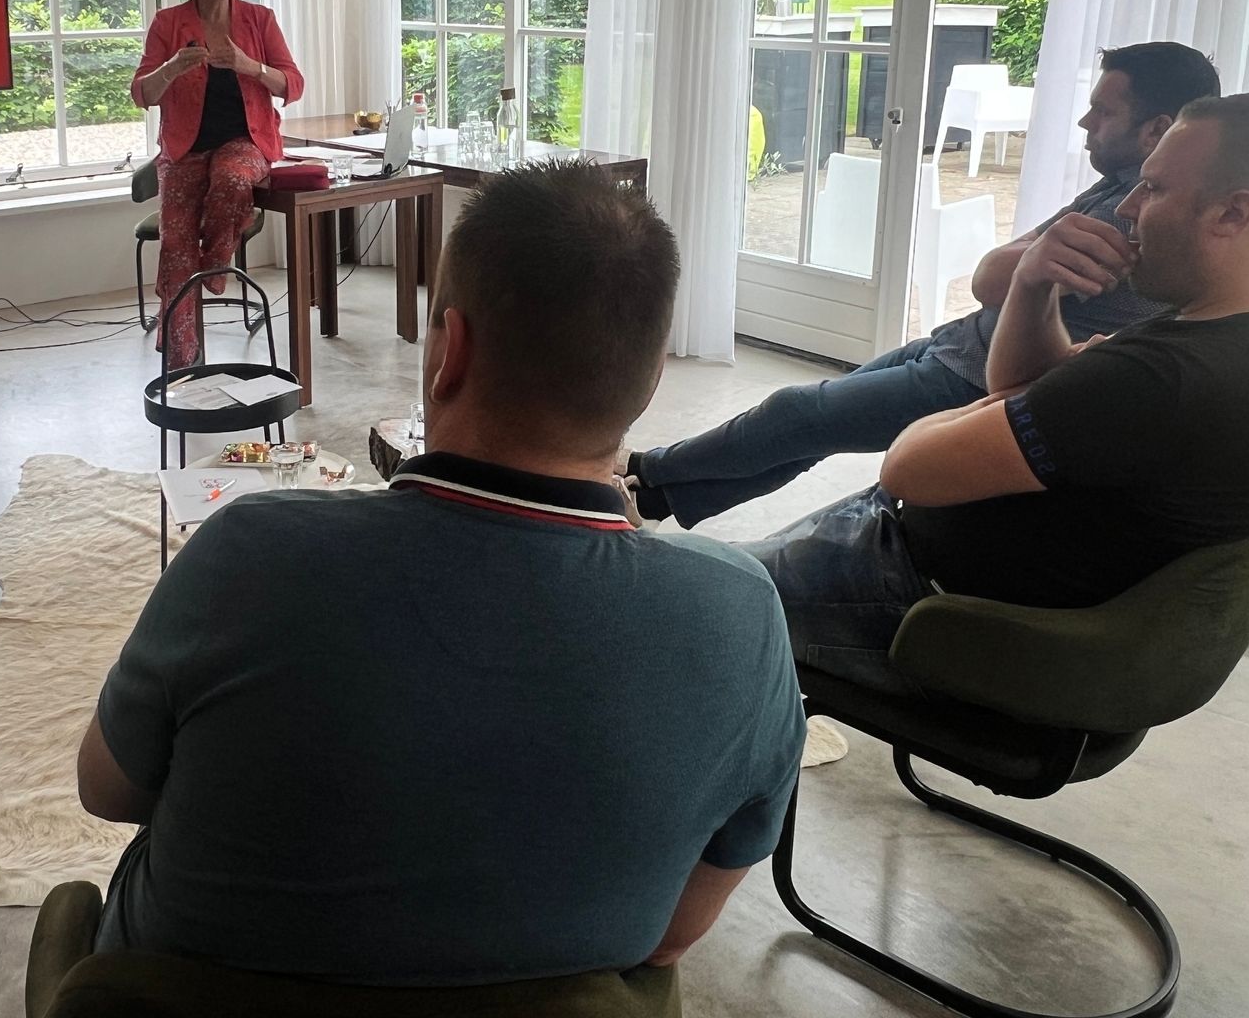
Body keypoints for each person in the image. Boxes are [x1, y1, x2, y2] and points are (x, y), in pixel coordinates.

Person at [75, 161, 807, 982]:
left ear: (449, 351)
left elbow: (108, 790)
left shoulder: (248, 552)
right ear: (650, 380)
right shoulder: (741, 618)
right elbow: (668, 939)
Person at [741, 93, 1249, 695]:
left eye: (1154, 188)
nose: (1128, 206)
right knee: (725, 557)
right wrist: (1032, 283)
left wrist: (998, 405)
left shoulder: (1165, 380)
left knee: (699, 598)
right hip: (933, 564)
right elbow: (1020, 389)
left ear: (1232, 214)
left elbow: (907, 468)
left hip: (923, 606)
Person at [624, 41, 1222, 529]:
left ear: (1156, 129)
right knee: (807, 424)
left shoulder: (1136, 212)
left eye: (1103, 111)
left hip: (977, 378)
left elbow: (992, 277)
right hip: (961, 344)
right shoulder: (1120, 184)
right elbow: (1004, 268)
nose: (1086, 121)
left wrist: (1023, 262)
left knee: (800, 413)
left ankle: (646, 475)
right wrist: (1024, 261)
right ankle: (654, 494)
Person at [131, 0, 303, 367]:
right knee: (176, 249)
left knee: (231, 178)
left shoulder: (259, 19)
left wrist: (249, 65)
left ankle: (214, 263)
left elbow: (293, 83)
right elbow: (142, 93)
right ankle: (181, 364)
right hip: (185, 151)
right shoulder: (168, 24)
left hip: (245, 142)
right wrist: (171, 68)